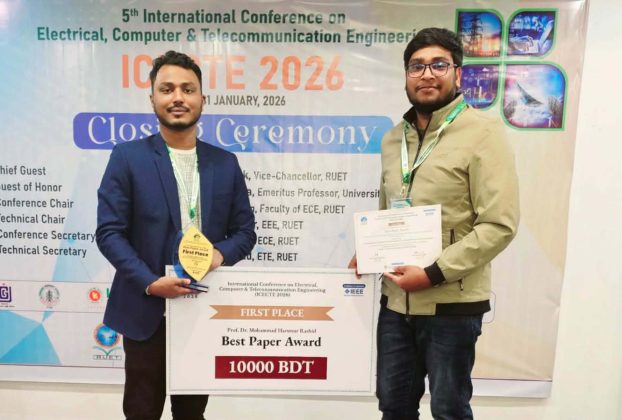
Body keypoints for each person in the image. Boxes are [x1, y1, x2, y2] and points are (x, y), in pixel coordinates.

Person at [349, 28, 519, 419]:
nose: (426, 74)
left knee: (449, 410)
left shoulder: (484, 133)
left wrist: (433, 273)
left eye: (438, 65)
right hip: (396, 304)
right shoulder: (393, 139)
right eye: (417, 66)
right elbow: (389, 213)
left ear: (457, 74)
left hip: (452, 306)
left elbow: (499, 225)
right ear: (406, 76)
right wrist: (370, 251)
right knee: (393, 408)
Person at [96, 51, 256, 420]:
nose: (178, 97)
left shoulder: (225, 163)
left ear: (203, 98)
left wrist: (218, 255)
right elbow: (109, 232)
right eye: (167, 89)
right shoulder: (127, 157)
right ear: (152, 98)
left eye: (188, 89)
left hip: (201, 307)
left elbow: (245, 232)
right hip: (145, 307)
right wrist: (150, 282)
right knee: (141, 412)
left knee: (192, 414)